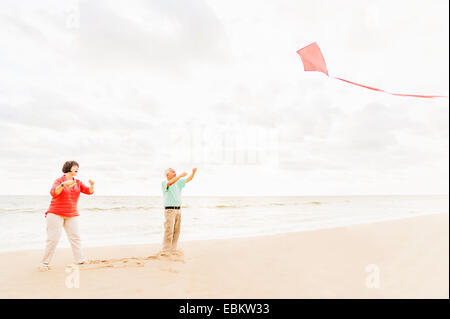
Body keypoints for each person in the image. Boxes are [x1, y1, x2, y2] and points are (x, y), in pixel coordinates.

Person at [39, 160, 95, 271]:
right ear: (68, 168)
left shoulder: (78, 182)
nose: (77, 169)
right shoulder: (59, 181)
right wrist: (64, 184)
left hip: (72, 214)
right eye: (75, 167)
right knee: (53, 239)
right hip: (55, 213)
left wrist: (92, 185)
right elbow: (54, 193)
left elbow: (89, 191)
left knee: (75, 237)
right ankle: (44, 263)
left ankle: (80, 259)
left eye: (77, 167)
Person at [161, 167, 197, 256]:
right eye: (173, 172)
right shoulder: (165, 182)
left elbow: (189, 179)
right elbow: (170, 183)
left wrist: (193, 173)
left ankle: (173, 249)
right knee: (169, 231)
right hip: (170, 210)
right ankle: (165, 251)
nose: (175, 173)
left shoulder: (178, 182)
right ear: (167, 175)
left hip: (178, 210)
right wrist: (180, 175)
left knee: (177, 231)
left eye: (175, 172)